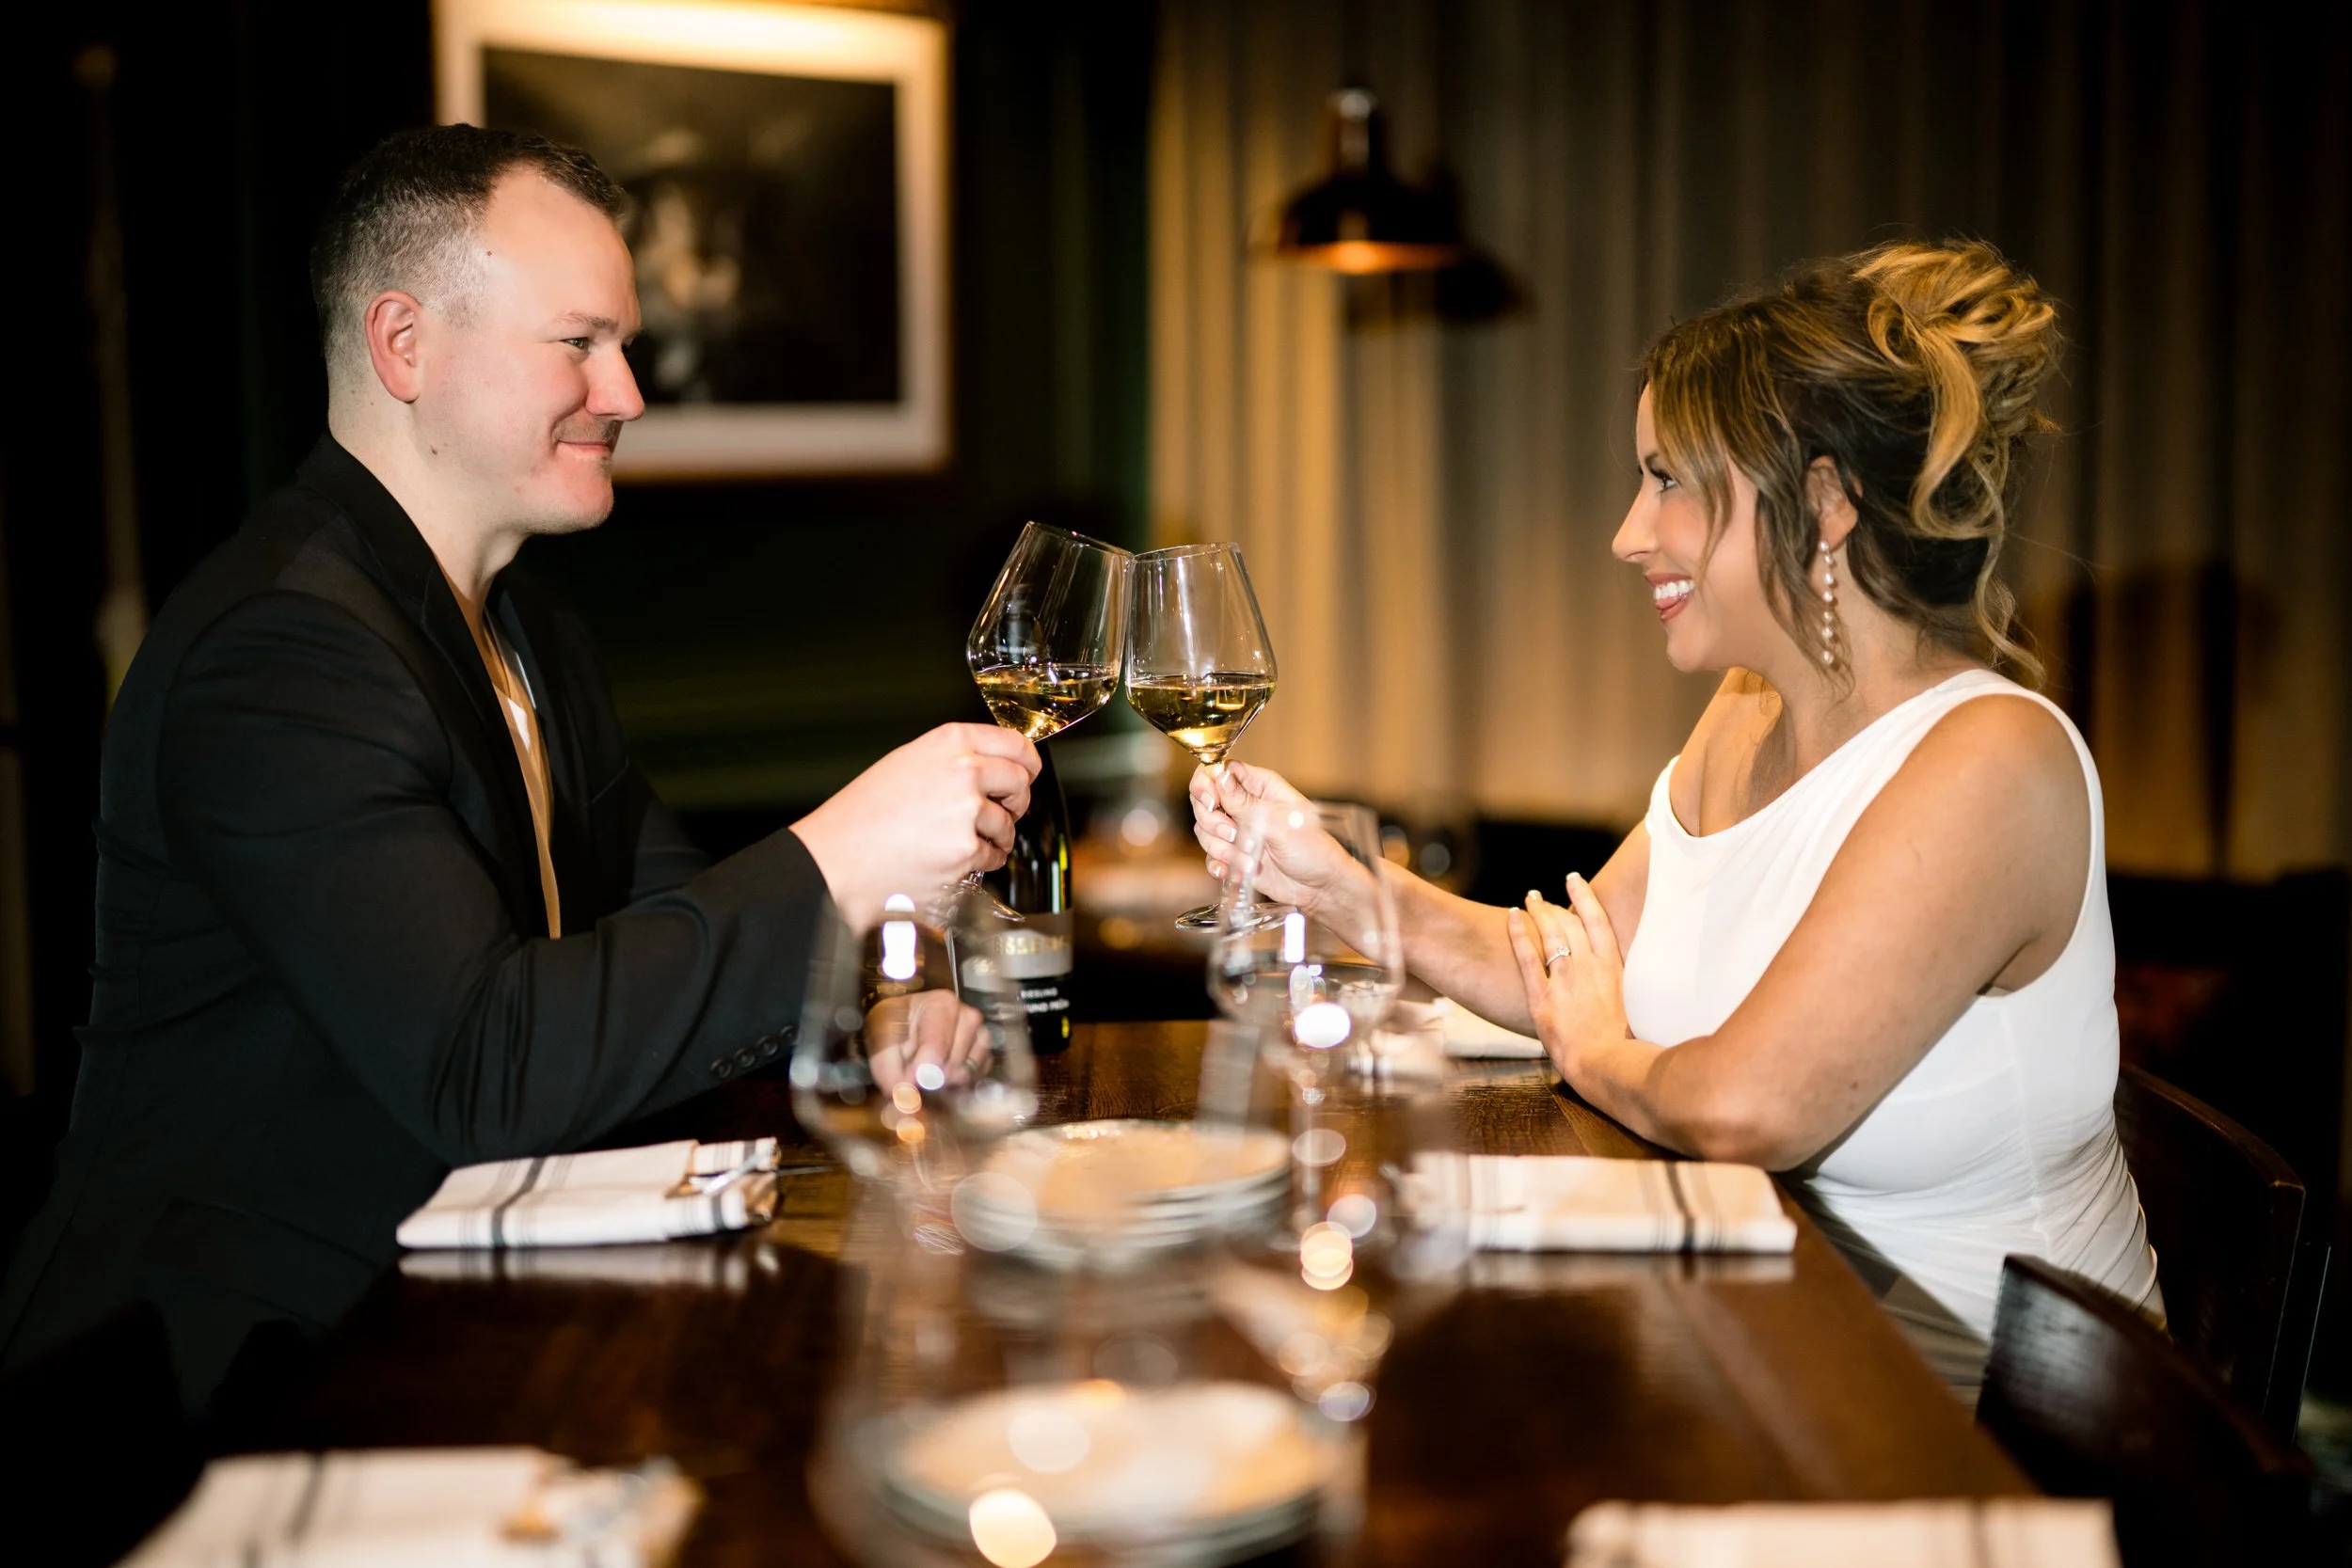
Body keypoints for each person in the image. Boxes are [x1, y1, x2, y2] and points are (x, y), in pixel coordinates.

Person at [0, 125, 1036, 1414]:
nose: (628, 393)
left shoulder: (530, 628)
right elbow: (485, 1066)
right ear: (405, 344)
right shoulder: (280, 651)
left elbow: (661, 928)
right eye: (579, 344)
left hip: (455, 1328)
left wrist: (872, 1011)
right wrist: (842, 856)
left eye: (627, 346)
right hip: (228, 1385)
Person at [1192, 239, 2160, 1398]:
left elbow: (1746, 1107)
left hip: (1982, 1425)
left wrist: (1601, 1052)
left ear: (1824, 499)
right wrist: (1342, 882)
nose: (1627, 532)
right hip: (1783, 1351)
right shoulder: (1744, 711)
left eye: (1666, 481)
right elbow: (1576, 959)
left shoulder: (1992, 761)